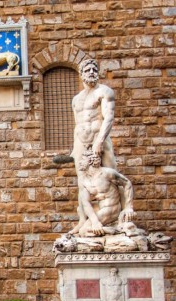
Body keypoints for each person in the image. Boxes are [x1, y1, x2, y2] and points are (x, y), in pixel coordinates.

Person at [71, 58, 119, 234]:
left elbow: (108, 117)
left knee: (113, 174)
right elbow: (78, 123)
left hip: (100, 139)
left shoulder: (104, 92)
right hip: (81, 142)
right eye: (87, 70)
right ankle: (83, 219)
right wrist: (76, 148)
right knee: (82, 182)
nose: (91, 72)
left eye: (94, 69)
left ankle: (120, 217)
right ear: (82, 74)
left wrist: (99, 141)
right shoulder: (76, 99)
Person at [69, 150, 136, 237]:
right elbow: (86, 203)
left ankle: (113, 230)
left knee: (83, 231)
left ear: (90, 161)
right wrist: (95, 222)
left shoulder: (107, 173)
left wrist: (129, 207)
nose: (80, 162)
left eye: (82, 160)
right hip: (100, 208)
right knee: (80, 208)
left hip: (111, 208)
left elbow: (127, 183)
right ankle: (107, 230)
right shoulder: (84, 179)